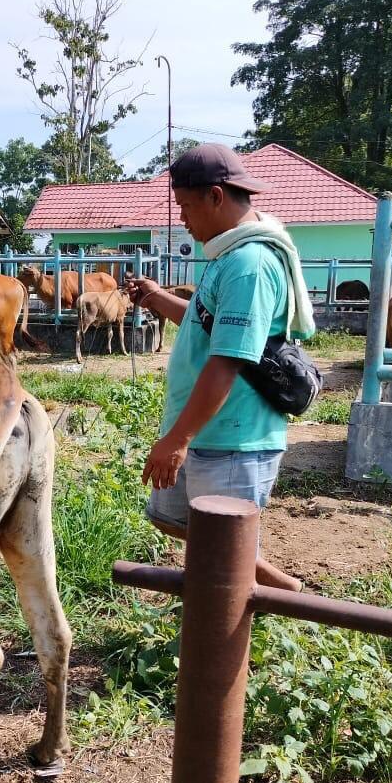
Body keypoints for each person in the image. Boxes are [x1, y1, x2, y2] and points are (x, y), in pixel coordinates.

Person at [126, 143, 316, 592]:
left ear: (216, 196)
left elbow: (228, 360)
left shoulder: (249, 264)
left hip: (233, 437)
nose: (184, 220)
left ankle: (247, 624)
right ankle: (271, 584)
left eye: (186, 207)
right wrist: (156, 298)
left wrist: (176, 440)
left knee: (220, 547)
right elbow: (206, 323)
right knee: (175, 519)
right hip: (205, 431)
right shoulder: (227, 255)